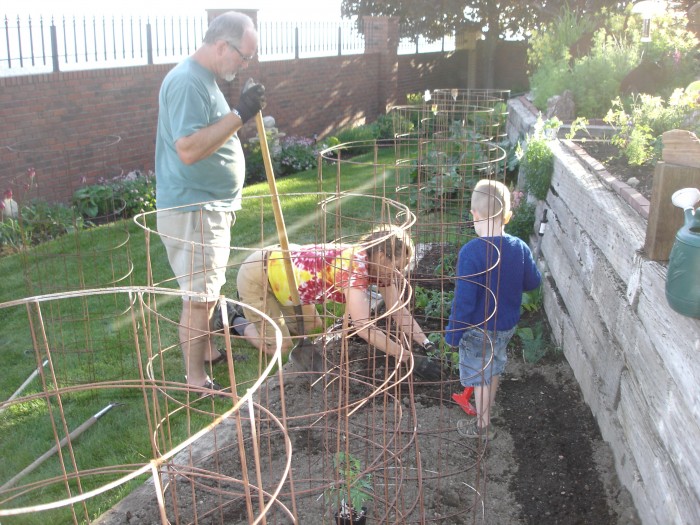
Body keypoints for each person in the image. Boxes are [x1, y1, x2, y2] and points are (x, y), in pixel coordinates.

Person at [155, 11, 266, 394]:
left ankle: (206, 353)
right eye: (243, 56)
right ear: (222, 46)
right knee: (200, 297)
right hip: (195, 209)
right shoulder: (187, 82)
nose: (244, 63)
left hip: (205, 207)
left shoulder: (204, 79)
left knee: (205, 289)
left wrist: (237, 111)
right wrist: (240, 114)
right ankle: (195, 381)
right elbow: (187, 149)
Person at [225, 225, 442, 380]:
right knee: (281, 347)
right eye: (397, 266)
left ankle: (260, 314)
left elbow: (398, 309)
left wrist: (425, 343)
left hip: (287, 280)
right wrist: (407, 358)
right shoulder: (353, 268)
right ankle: (234, 319)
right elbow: (364, 327)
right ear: (383, 256)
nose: (399, 273)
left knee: (314, 327)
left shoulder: (378, 267)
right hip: (260, 275)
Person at [445, 179, 541, 440]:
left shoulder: (471, 253)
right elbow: (533, 282)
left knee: (480, 376)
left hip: (479, 329)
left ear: (473, 215)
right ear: (508, 216)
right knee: (493, 368)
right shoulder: (519, 247)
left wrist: (453, 334)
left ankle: (483, 425)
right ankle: (485, 414)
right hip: (506, 326)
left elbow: (464, 301)